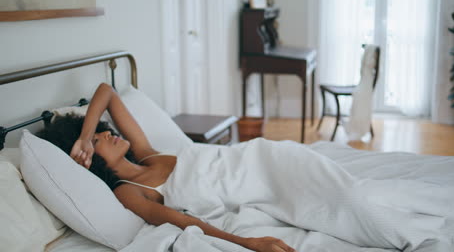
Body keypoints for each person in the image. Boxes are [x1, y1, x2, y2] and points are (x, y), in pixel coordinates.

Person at [37, 83, 296, 252]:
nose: (105, 135)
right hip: (244, 185)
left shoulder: (146, 154)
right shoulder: (127, 192)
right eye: (96, 140)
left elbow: (107, 91)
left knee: (292, 161)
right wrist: (249, 243)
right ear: (88, 159)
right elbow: (182, 220)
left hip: (253, 159)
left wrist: (85, 135)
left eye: (100, 131)